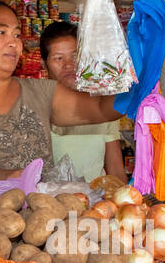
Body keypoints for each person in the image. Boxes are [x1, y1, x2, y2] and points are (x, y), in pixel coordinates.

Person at [0, 0, 120, 206]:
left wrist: (141, 75)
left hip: (43, 223)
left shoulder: (41, 92)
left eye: (16, 34)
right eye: (1, 33)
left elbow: (100, 108)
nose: (13, 42)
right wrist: (1, 179)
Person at [39, 21, 127, 183]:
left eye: (74, 56)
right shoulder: (38, 106)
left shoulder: (102, 104)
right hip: (51, 203)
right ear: (44, 65)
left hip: (96, 202)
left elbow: (115, 170)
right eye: (59, 58)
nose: (69, 65)